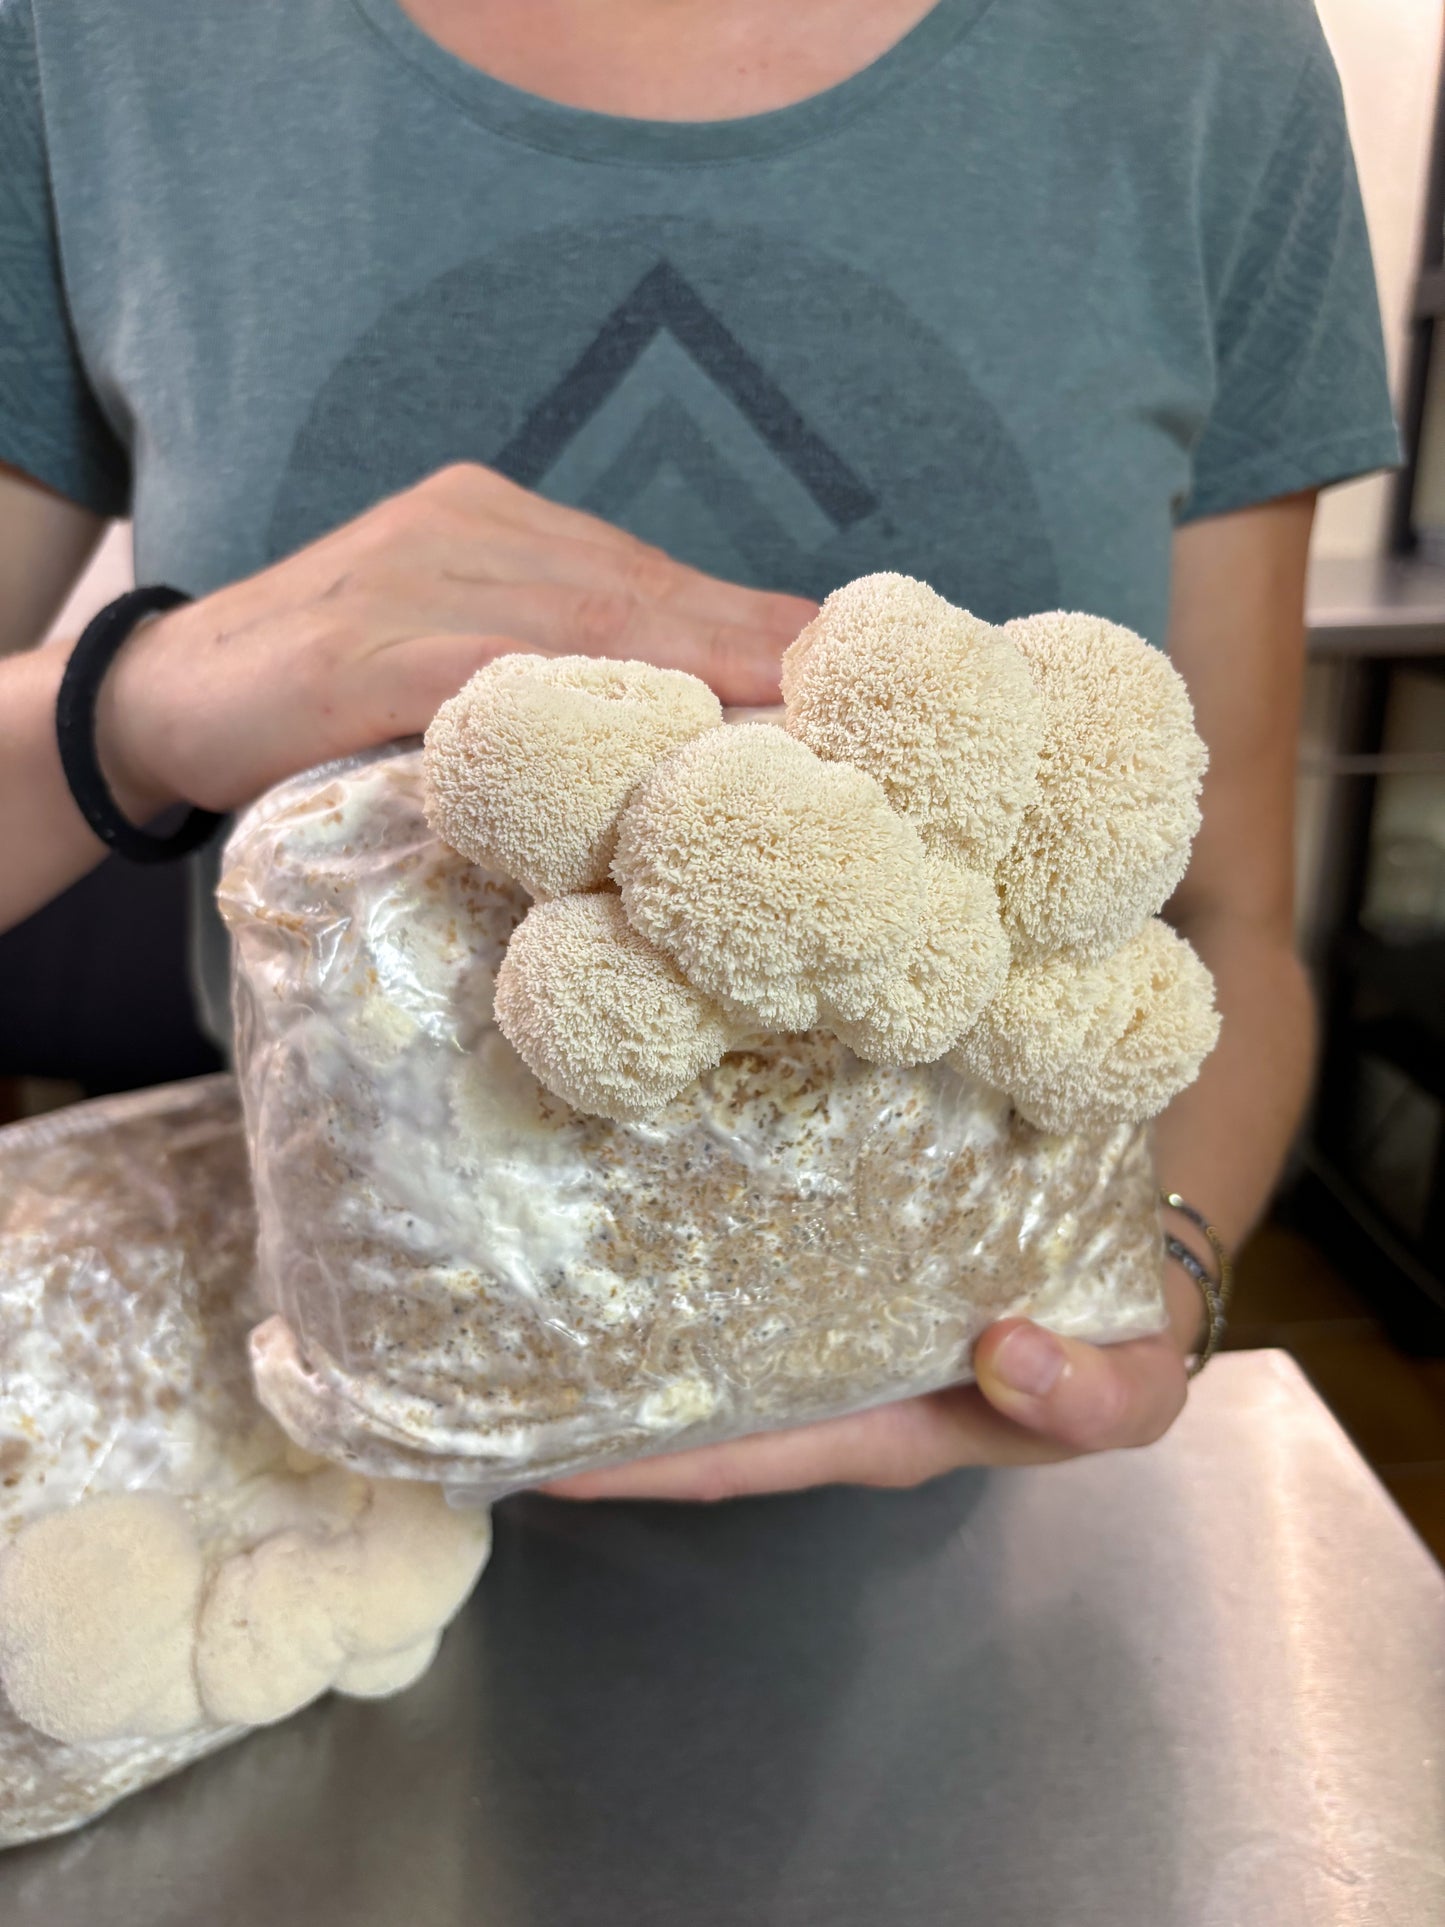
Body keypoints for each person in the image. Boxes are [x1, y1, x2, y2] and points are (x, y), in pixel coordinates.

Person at [0, 0, 1399, 1497]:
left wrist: (1156, 1279)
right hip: (342, 1448)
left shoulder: (1203, 53)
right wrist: (135, 698)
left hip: (969, 1445)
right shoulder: (90, 38)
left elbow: (1222, 927)